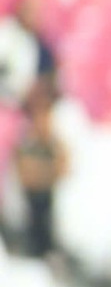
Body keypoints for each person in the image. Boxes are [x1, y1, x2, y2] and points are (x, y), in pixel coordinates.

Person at [13, 81, 68, 264]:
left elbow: (62, 161)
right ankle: (35, 249)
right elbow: (22, 160)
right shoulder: (28, 136)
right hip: (33, 185)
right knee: (34, 218)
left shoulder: (52, 138)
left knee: (45, 218)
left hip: (45, 185)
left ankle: (44, 249)